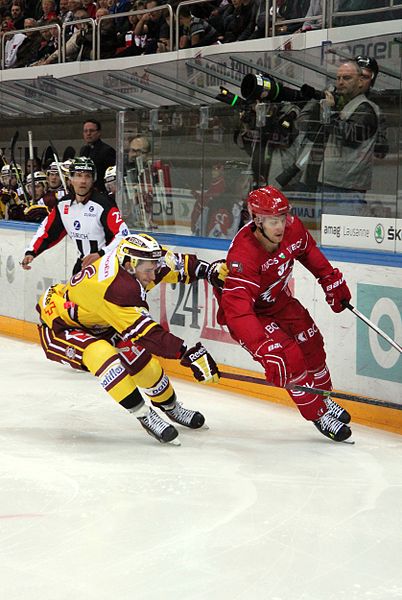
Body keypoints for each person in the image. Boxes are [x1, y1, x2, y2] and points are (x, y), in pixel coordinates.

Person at [36, 233, 221, 444]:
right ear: (129, 266)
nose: (153, 277)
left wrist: (210, 271)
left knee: (146, 367)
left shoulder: (138, 262)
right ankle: (143, 414)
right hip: (62, 325)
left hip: (104, 320)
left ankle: (172, 408)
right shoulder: (116, 288)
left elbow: (176, 265)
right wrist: (186, 352)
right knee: (102, 354)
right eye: (148, 271)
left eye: (154, 269)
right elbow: (147, 334)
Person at [217, 185, 353, 443]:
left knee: (312, 343)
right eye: (272, 221)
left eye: (282, 218)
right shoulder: (243, 255)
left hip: (279, 301)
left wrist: (329, 279)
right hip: (252, 316)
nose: (280, 226)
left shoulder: (292, 229)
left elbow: (308, 251)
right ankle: (318, 413)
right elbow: (238, 312)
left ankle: (323, 398)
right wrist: (263, 348)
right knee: (288, 357)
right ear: (257, 220)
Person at [20, 156, 129, 274]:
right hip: (82, 265)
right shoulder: (63, 205)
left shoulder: (104, 204)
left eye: (87, 176)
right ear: (70, 179)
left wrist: (101, 253)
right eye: (78, 175)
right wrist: (31, 252)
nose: (83, 181)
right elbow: (47, 231)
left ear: (93, 179)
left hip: (107, 266)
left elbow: (123, 235)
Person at [80, 119, 116, 193]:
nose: (88, 133)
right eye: (85, 131)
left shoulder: (107, 150)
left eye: (91, 131)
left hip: (101, 191)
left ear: (99, 133)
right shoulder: (84, 150)